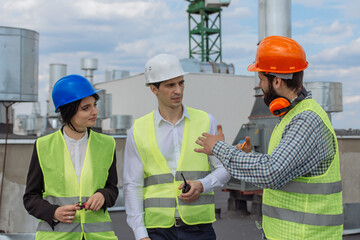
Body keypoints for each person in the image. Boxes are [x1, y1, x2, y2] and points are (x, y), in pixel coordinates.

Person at [195, 36, 343, 240]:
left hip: (304, 236)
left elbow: (271, 172)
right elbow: (286, 168)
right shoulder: (293, 115)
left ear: (277, 80)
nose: (260, 85)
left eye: (261, 79)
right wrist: (251, 156)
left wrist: (219, 148)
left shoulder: (305, 120)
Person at [123, 53, 231, 240]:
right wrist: (140, 234)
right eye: (170, 85)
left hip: (199, 229)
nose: (178, 90)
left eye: (181, 83)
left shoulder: (206, 121)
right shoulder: (138, 130)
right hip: (156, 230)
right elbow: (132, 185)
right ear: (154, 89)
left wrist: (202, 185)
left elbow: (225, 169)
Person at [23, 74, 119, 240]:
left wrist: (103, 195)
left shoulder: (107, 144)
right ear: (68, 111)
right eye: (85, 108)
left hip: (99, 236)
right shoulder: (43, 146)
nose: (94, 111)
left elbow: (112, 189)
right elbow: (31, 197)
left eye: (94, 105)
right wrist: (53, 212)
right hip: (57, 236)